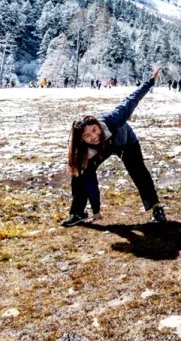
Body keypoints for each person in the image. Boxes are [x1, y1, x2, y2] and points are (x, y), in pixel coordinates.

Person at [61, 65, 167, 227]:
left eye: (94, 130)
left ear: (98, 125)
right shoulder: (85, 151)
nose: (94, 136)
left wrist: (150, 81)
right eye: (87, 136)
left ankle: (156, 207)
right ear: (81, 140)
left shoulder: (113, 119)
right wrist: (96, 210)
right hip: (102, 149)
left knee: (139, 171)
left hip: (125, 142)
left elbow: (131, 100)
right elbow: (90, 181)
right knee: (79, 174)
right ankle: (77, 213)